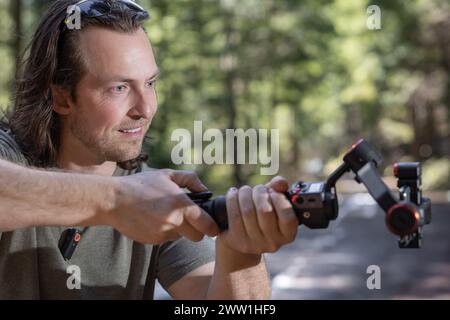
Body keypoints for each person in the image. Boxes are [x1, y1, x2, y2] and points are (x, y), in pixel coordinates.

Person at [0, 0, 298, 299]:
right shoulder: (10, 157)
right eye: (120, 87)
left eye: (150, 83)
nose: (146, 108)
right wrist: (115, 202)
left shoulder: (150, 194)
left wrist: (241, 253)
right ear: (62, 98)